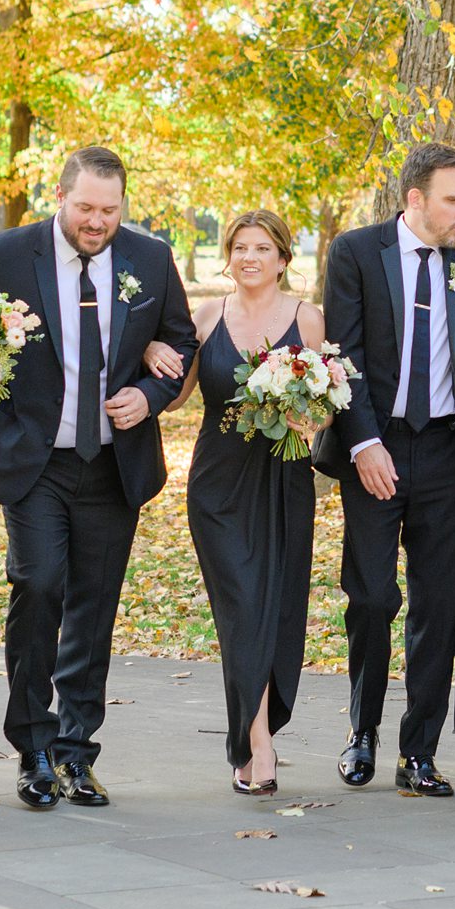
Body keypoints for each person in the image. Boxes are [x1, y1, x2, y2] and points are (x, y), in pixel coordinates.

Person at [0, 145, 198, 812]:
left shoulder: (149, 258)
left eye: (109, 210)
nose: (96, 222)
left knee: (94, 606)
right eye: (85, 207)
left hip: (113, 463)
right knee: (39, 584)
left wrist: (150, 393)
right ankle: (32, 747)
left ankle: (75, 749)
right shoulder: (4, 253)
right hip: (35, 463)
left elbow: (182, 339)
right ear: (59, 197)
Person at [317, 143, 455, 796]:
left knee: (438, 607)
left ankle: (417, 751)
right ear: (416, 199)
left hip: (448, 451)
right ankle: (361, 732)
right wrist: (363, 444)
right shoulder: (357, 253)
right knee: (370, 597)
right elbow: (346, 354)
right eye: (454, 199)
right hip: (377, 447)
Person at [165, 208, 324, 797]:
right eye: (239, 247)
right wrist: (152, 361)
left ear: (284, 259)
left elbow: (332, 400)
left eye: (262, 248)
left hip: (284, 479)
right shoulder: (207, 316)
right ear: (228, 256)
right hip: (217, 484)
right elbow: (176, 398)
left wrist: (312, 413)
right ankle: (257, 744)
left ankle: (255, 733)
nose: (249, 257)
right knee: (241, 610)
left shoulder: (309, 321)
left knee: (277, 608)